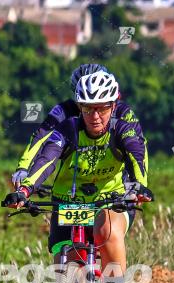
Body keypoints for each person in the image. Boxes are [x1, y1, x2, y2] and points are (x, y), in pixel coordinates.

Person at [2, 71, 154, 283]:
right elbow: (46, 156)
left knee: (107, 231)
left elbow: (138, 155)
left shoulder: (123, 125)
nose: (94, 115)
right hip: (68, 200)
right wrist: (25, 188)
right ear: (79, 107)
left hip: (111, 198)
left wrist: (139, 186)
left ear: (114, 105)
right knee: (64, 268)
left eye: (101, 108)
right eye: (87, 109)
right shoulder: (68, 126)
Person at [12, 63, 144, 190]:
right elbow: (41, 137)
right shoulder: (65, 110)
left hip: (116, 176)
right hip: (76, 176)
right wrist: (23, 168)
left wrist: (140, 184)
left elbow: (139, 146)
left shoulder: (122, 111)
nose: (94, 112)